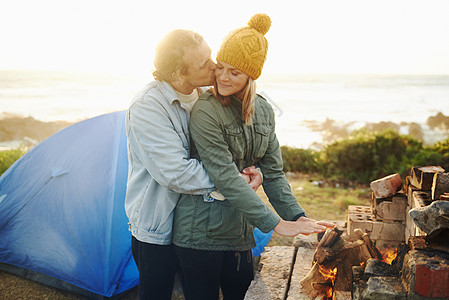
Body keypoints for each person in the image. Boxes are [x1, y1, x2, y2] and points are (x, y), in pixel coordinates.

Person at [173, 13, 335, 300]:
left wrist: (298, 217)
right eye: (220, 67)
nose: (222, 77)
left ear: (251, 74)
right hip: (199, 234)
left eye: (234, 72)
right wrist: (275, 223)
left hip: (239, 232)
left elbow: (273, 172)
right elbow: (223, 175)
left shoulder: (263, 110)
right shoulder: (206, 110)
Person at [125, 29, 263, 300]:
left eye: (210, 55)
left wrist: (253, 169)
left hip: (201, 226)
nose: (215, 66)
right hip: (159, 226)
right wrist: (234, 180)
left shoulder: (210, 96)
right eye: (203, 64)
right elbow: (176, 174)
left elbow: (237, 146)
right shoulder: (148, 106)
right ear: (177, 75)